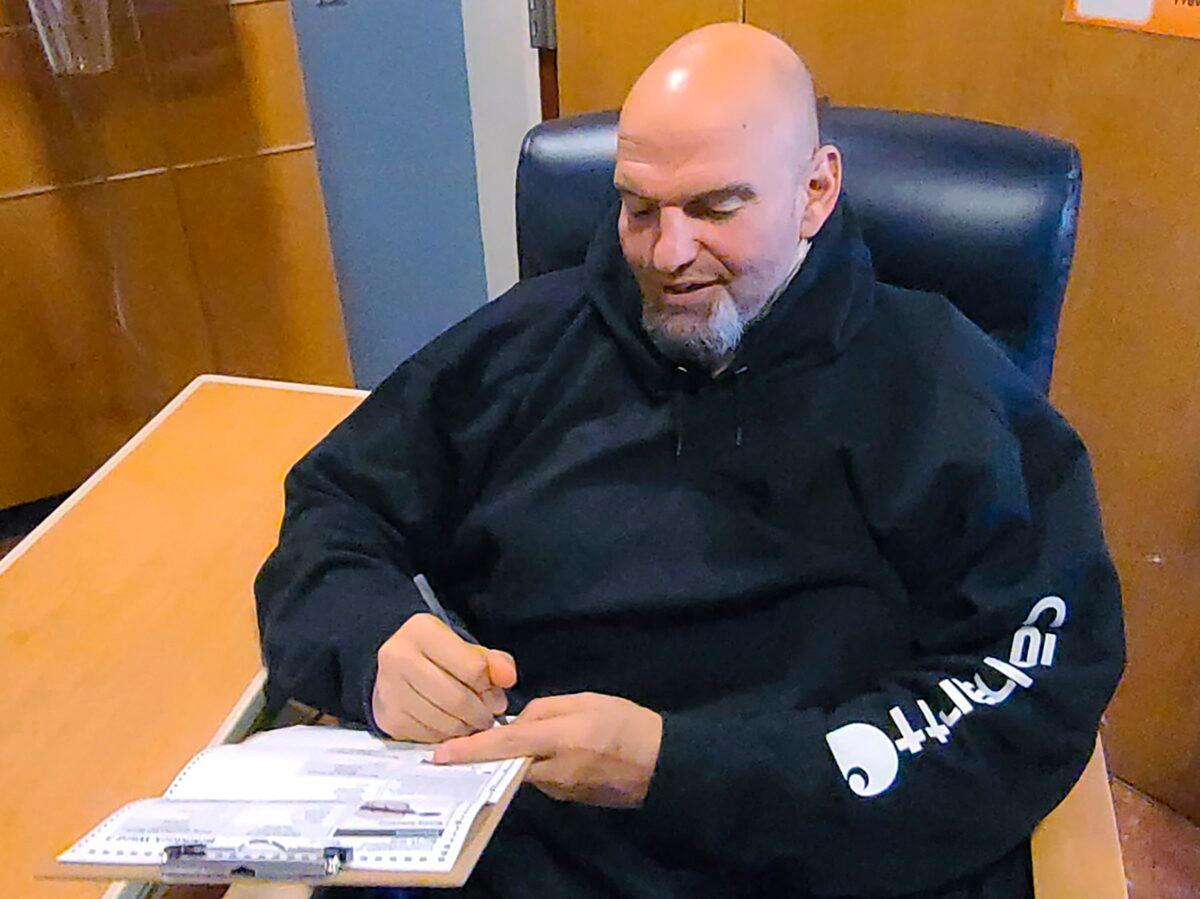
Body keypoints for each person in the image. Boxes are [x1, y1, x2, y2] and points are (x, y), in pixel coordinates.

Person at [255, 22, 1124, 899]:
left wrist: (670, 767)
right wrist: (374, 642)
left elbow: (1029, 688)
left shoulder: (943, 389)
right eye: (639, 208)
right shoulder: (525, 349)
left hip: (819, 848)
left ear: (816, 190)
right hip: (532, 845)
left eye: (714, 208)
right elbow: (333, 508)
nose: (668, 254)